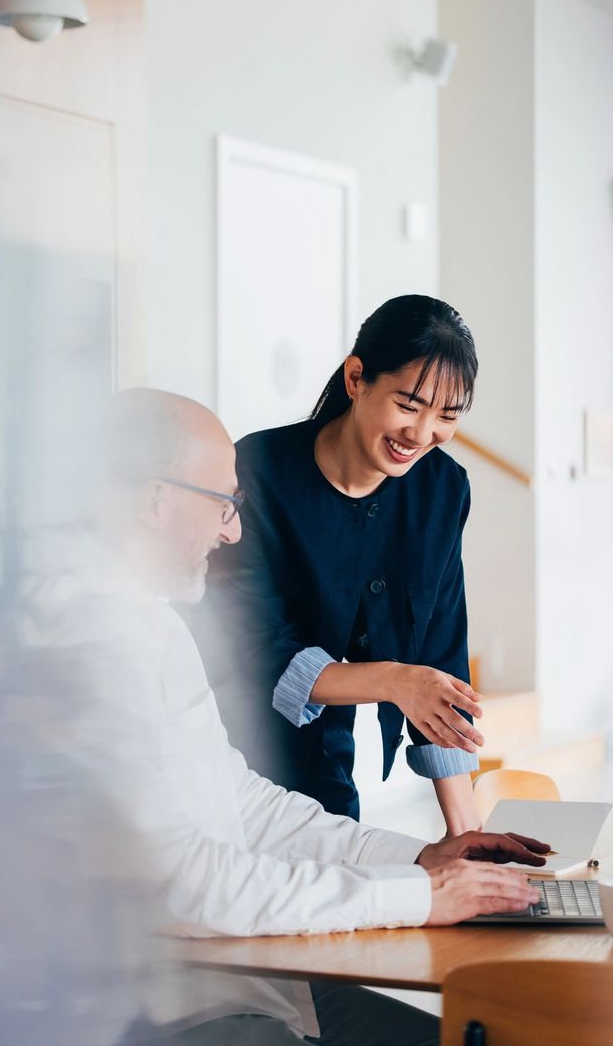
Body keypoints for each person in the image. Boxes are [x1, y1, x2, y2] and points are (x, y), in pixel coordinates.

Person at [24, 388, 547, 1045]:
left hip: (245, 991)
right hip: (183, 1017)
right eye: (223, 503)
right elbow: (185, 881)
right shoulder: (88, 642)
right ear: (155, 501)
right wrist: (420, 895)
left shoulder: (150, 620)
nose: (233, 531)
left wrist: (423, 859)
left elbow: (245, 805)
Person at [207, 295, 483, 833]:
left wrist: (467, 833)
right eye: (409, 405)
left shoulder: (442, 491)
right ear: (356, 378)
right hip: (230, 755)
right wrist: (394, 681)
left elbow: (439, 656)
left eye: (446, 416)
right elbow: (256, 647)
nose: (422, 433)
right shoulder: (256, 471)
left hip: (326, 763)